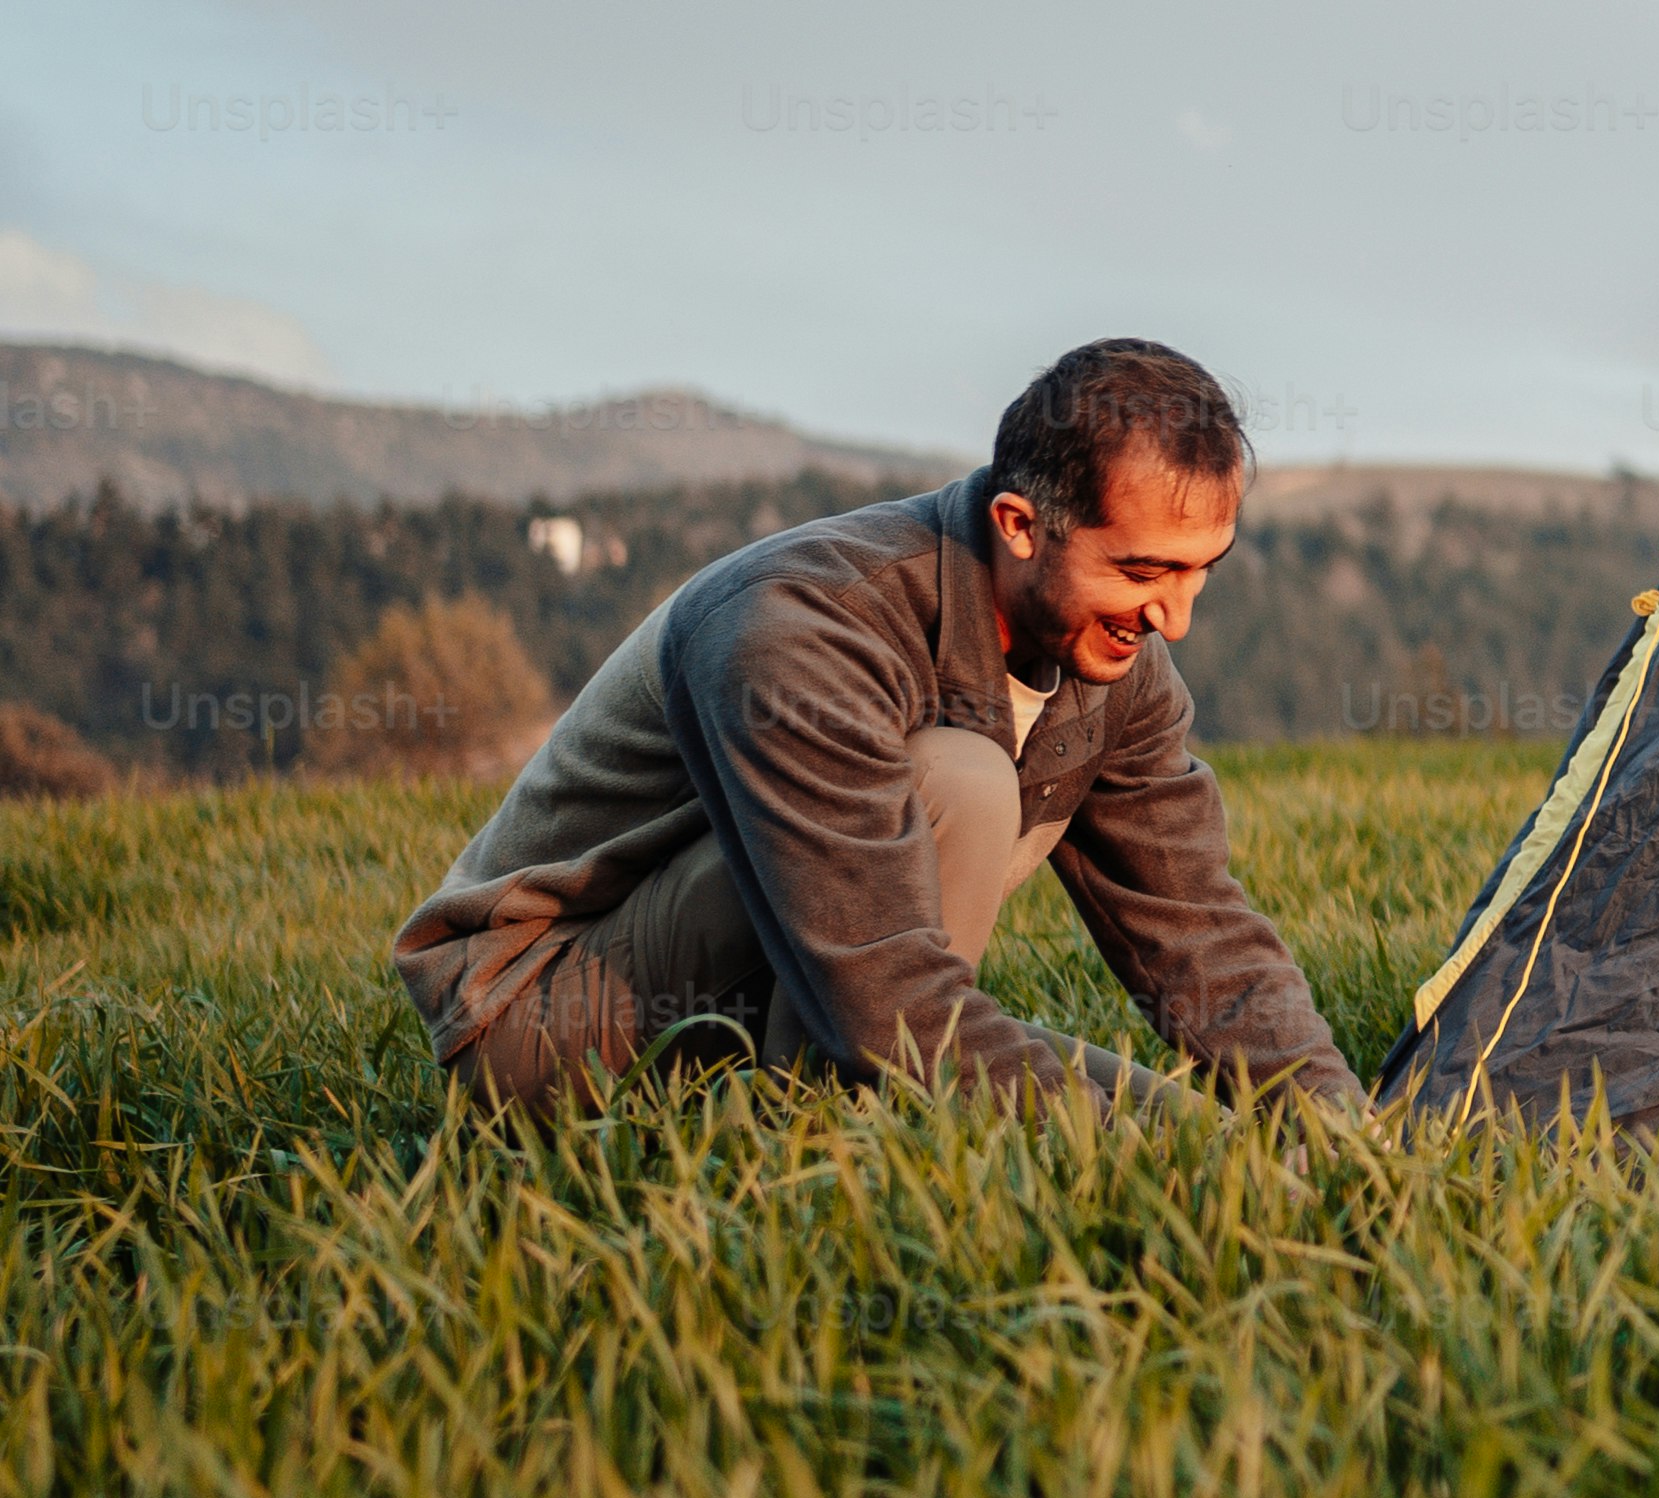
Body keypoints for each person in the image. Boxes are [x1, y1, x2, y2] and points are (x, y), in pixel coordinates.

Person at [389, 337, 1356, 1110]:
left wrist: (1340, 1134)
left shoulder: (1118, 664)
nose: (1174, 618)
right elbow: (886, 1005)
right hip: (536, 1014)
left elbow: (1200, 930)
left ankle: (828, 1114)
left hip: (811, 990)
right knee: (964, 784)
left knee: (1208, 1141)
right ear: (1021, 525)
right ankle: (816, 1157)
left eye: (1201, 571)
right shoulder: (797, 626)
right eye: (1143, 572)